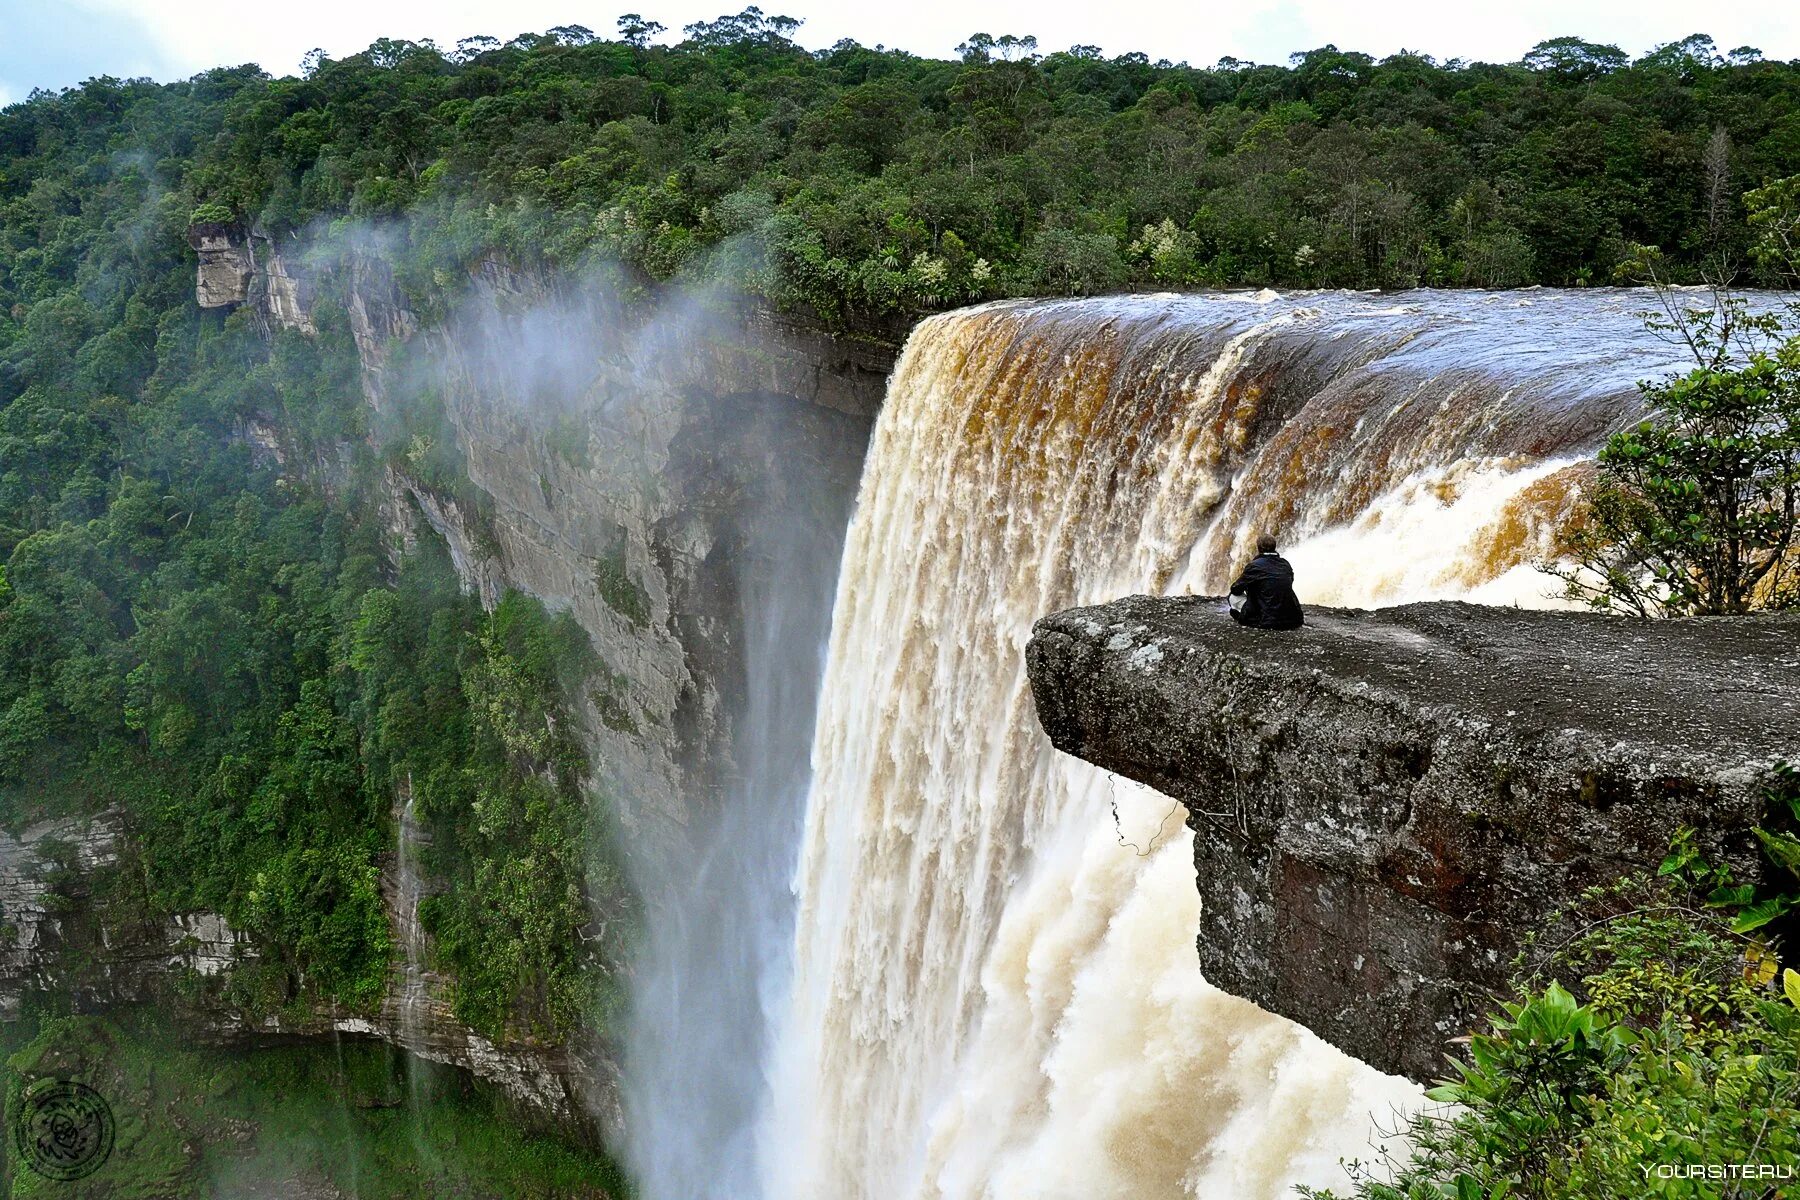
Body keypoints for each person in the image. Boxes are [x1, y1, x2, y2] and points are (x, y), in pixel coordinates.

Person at [1228, 534, 1304, 629]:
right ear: (1274, 547)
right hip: (1293, 619)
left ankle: (1244, 615)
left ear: (1259, 548)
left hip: (1266, 620)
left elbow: (1236, 589)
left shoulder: (1254, 566)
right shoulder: (1285, 564)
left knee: (1232, 596)